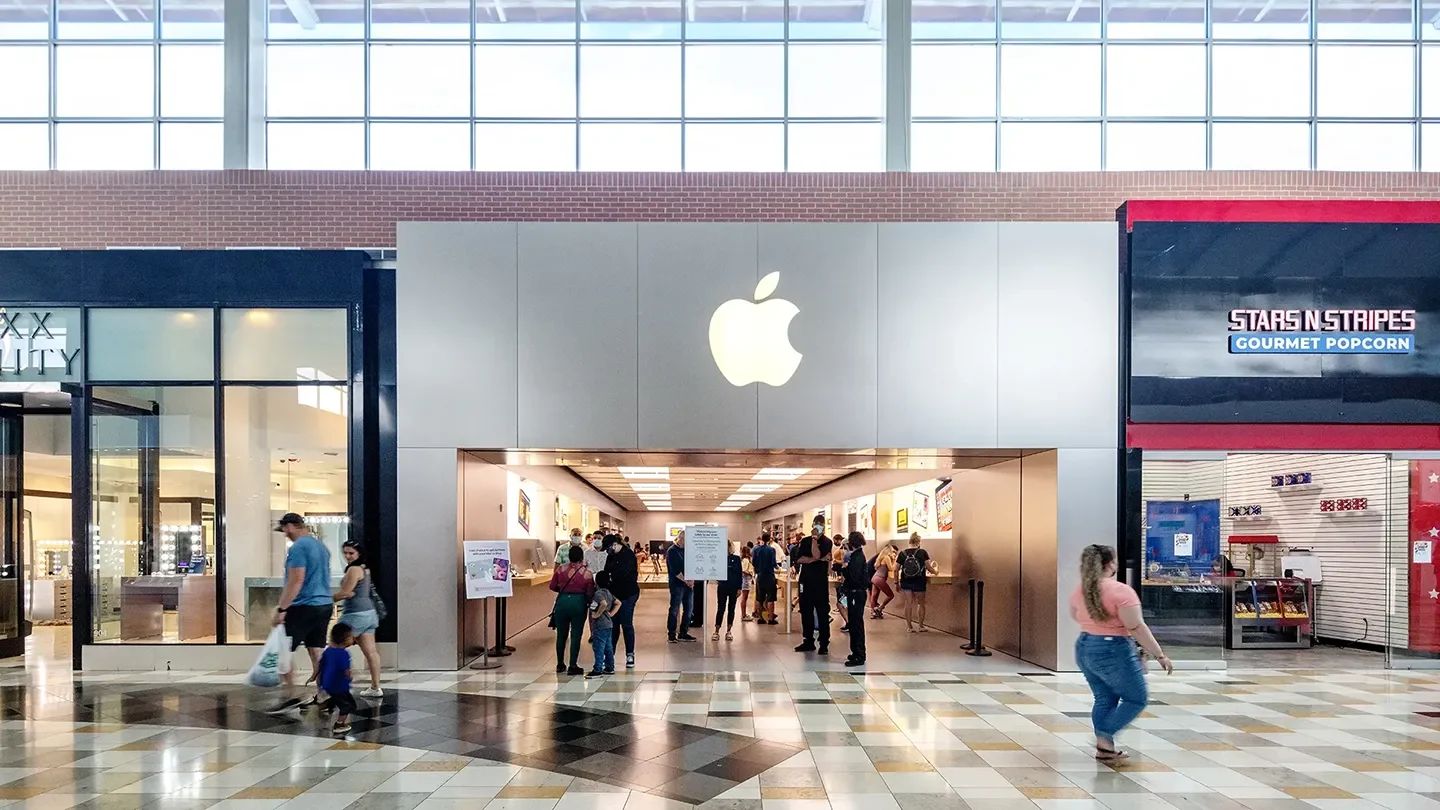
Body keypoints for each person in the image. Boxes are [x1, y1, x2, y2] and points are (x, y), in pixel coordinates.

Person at [1072, 544, 1172, 761]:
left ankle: (1105, 748)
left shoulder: (1082, 589)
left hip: (1085, 645)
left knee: (1104, 698)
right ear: (1110, 564)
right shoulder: (1121, 591)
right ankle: (1104, 735)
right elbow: (1136, 626)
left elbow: (1075, 615)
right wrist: (1159, 654)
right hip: (1113, 648)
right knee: (1137, 698)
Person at [265, 513, 334, 717]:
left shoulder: (298, 548)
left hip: (303, 606)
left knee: (282, 649)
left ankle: (289, 696)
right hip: (324, 604)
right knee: (316, 651)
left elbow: (296, 580)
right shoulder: (321, 547)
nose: (285, 535)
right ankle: (324, 694)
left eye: (285, 530)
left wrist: (282, 608)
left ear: (290, 526)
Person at [332, 540, 383, 697]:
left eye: (351, 553)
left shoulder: (353, 570)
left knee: (334, 648)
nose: (347, 556)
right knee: (371, 652)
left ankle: (338, 684)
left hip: (354, 615)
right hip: (369, 614)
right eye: (345, 553)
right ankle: (375, 687)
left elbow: (346, 593)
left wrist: (327, 599)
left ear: (359, 553)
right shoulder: (364, 569)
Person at [549, 544, 595, 676]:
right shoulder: (587, 573)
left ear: (569, 556)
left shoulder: (560, 569)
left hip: (562, 603)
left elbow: (552, 586)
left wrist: (564, 591)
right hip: (578, 603)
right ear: (582, 557)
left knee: (561, 635)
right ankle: (573, 665)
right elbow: (590, 592)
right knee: (576, 635)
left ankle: (560, 664)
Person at [603, 533, 641, 669]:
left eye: (608, 547)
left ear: (615, 544)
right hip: (614, 595)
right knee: (613, 624)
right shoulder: (611, 556)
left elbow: (622, 575)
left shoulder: (628, 555)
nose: (607, 551)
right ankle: (610, 654)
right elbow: (607, 572)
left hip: (628, 594)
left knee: (626, 623)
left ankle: (630, 654)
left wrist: (612, 576)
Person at [794, 526, 833, 654]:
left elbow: (816, 554)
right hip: (805, 581)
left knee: (822, 613)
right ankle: (808, 641)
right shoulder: (805, 541)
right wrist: (817, 559)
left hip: (820, 583)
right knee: (806, 612)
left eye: (819, 524)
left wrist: (815, 541)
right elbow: (799, 559)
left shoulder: (827, 542)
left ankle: (824, 643)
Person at [318, 623, 357, 735]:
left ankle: (326, 705)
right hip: (339, 685)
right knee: (347, 705)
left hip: (328, 685)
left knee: (345, 701)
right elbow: (346, 671)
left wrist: (319, 680)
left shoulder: (328, 651)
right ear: (344, 639)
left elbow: (321, 665)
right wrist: (350, 677)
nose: (353, 639)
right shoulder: (344, 654)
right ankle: (339, 724)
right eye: (350, 637)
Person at [897, 533, 939, 633]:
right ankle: (921, 626)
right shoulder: (922, 552)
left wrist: (895, 582)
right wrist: (935, 572)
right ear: (918, 542)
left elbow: (896, 569)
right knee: (921, 603)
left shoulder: (902, 553)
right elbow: (928, 567)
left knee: (908, 604)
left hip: (906, 581)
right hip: (919, 581)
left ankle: (909, 627)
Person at [841, 532, 869, 667]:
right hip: (857, 593)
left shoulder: (857, 558)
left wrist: (844, 569)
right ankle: (856, 652)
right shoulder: (858, 556)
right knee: (854, 623)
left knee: (856, 624)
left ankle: (859, 654)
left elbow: (853, 576)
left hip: (856, 593)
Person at [587, 571, 620, 678]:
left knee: (598, 647)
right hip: (609, 624)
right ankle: (610, 667)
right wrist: (611, 614)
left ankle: (598, 669)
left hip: (600, 625)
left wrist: (597, 614)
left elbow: (603, 603)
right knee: (608, 647)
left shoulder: (598, 594)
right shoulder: (608, 593)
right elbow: (618, 603)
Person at [666, 531, 697, 643]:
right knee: (674, 609)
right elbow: (675, 570)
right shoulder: (672, 551)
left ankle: (683, 633)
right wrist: (687, 581)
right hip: (677, 584)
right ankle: (672, 634)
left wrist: (691, 580)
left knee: (689, 609)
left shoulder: (686, 550)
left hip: (688, 584)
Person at [713, 544, 743, 641]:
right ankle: (717, 630)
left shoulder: (737, 559)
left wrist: (739, 588)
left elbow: (739, 573)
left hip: (733, 587)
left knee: (731, 608)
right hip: (722, 586)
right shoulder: (719, 558)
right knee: (721, 608)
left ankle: (729, 631)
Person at [752, 533, 779, 625]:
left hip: (760, 576)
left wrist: (758, 570)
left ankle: (760, 618)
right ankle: (771, 618)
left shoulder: (756, 550)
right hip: (770, 576)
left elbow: (754, 562)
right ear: (769, 540)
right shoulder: (772, 550)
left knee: (760, 598)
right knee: (771, 598)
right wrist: (777, 568)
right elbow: (774, 563)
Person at [870, 540, 898, 619]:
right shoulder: (887, 558)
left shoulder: (881, 558)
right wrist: (896, 561)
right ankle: (880, 608)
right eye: (893, 552)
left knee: (874, 596)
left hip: (875, 578)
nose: (894, 554)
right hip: (880, 579)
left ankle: (873, 612)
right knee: (890, 595)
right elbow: (892, 568)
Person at [739, 545, 755, 622]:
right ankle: (743, 614)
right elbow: (744, 570)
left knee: (745, 598)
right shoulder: (745, 560)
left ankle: (744, 614)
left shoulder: (746, 560)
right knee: (744, 598)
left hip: (746, 580)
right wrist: (750, 573)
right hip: (745, 580)